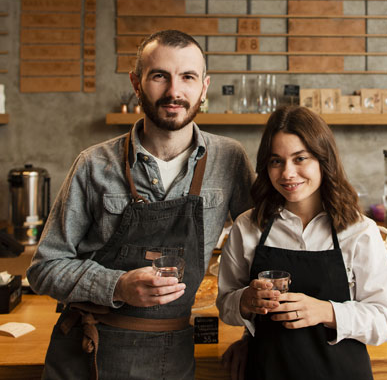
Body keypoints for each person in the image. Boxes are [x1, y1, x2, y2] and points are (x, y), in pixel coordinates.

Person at [27, 29, 254, 380]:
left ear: (204, 87)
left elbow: (261, 257)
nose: (174, 92)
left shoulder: (229, 160)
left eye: (188, 77)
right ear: (136, 83)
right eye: (159, 76)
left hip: (172, 354)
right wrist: (117, 286)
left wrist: (250, 336)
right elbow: (44, 268)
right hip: (90, 352)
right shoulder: (93, 164)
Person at [217, 105, 387, 380]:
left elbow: (384, 320)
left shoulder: (360, 231)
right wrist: (245, 301)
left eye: (300, 158)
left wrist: (327, 311)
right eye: (276, 161)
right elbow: (225, 304)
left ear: (323, 160)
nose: (288, 173)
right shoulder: (248, 226)